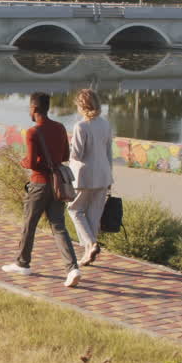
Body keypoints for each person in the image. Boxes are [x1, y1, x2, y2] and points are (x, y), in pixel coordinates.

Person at [2, 92, 81, 287]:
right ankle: (72, 269)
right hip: (57, 185)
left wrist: (24, 162)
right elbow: (65, 155)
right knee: (58, 227)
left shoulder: (32, 132)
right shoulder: (60, 128)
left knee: (29, 224)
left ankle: (23, 264)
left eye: (29, 108)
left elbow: (31, 163)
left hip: (39, 184)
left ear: (34, 108)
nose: (29, 111)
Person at [67, 89, 114, 266]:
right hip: (103, 175)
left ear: (81, 106)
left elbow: (77, 155)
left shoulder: (81, 126)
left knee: (74, 210)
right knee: (94, 215)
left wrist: (69, 146)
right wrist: (110, 176)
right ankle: (88, 252)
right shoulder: (105, 124)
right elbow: (109, 152)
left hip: (83, 176)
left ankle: (90, 244)